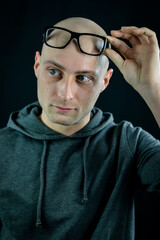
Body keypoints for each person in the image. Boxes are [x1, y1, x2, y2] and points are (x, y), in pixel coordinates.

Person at [0, 17, 160, 240]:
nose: (65, 94)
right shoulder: (3, 145)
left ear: (105, 81)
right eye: (54, 72)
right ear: (37, 66)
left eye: (83, 78)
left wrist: (153, 89)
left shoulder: (129, 144)